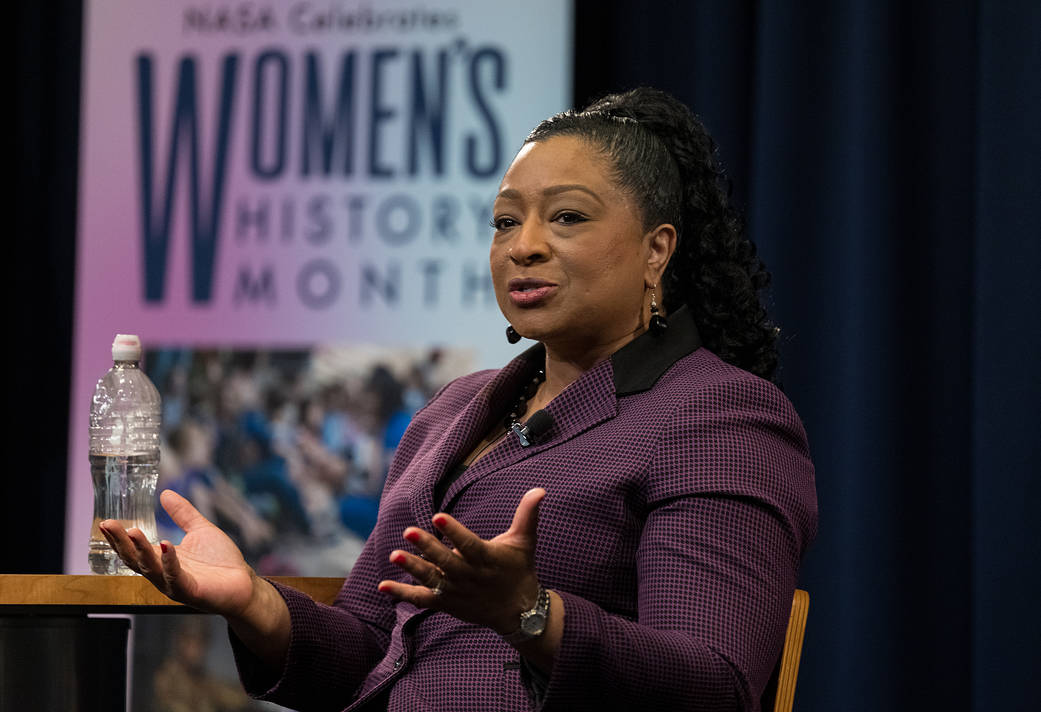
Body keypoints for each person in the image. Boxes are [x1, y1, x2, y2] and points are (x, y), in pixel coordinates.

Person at [101, 87, 817, 711]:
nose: (522, 246)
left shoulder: (718, 417)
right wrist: (256, 602)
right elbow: (370, 651)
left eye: (565, 217)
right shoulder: (452, 411)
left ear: (656, 250)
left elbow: (715, 687)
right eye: (505, 222)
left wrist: (528, 614)